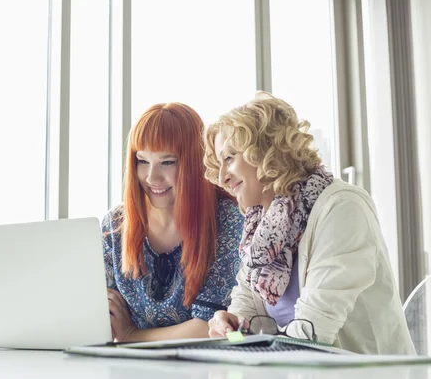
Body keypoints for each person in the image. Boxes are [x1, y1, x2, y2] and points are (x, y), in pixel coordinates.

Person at [203, 91, 415, 355]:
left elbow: (313, 335)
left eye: (229, 158)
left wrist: (249, 345)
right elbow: (245, 303)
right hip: (297, 375)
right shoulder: (263, 224)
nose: (222, 177)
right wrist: (230, 325)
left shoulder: (341, 207)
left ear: (263, 150)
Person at [102, 102, 244, 342]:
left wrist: (131, 335)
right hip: (127, 371)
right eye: (142, 161)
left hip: (206, 372)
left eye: (167, 162)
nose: (151, 177)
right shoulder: (115, 226)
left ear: (195, 162)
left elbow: (210, 328)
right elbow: (99, 313)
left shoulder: (227, 219)